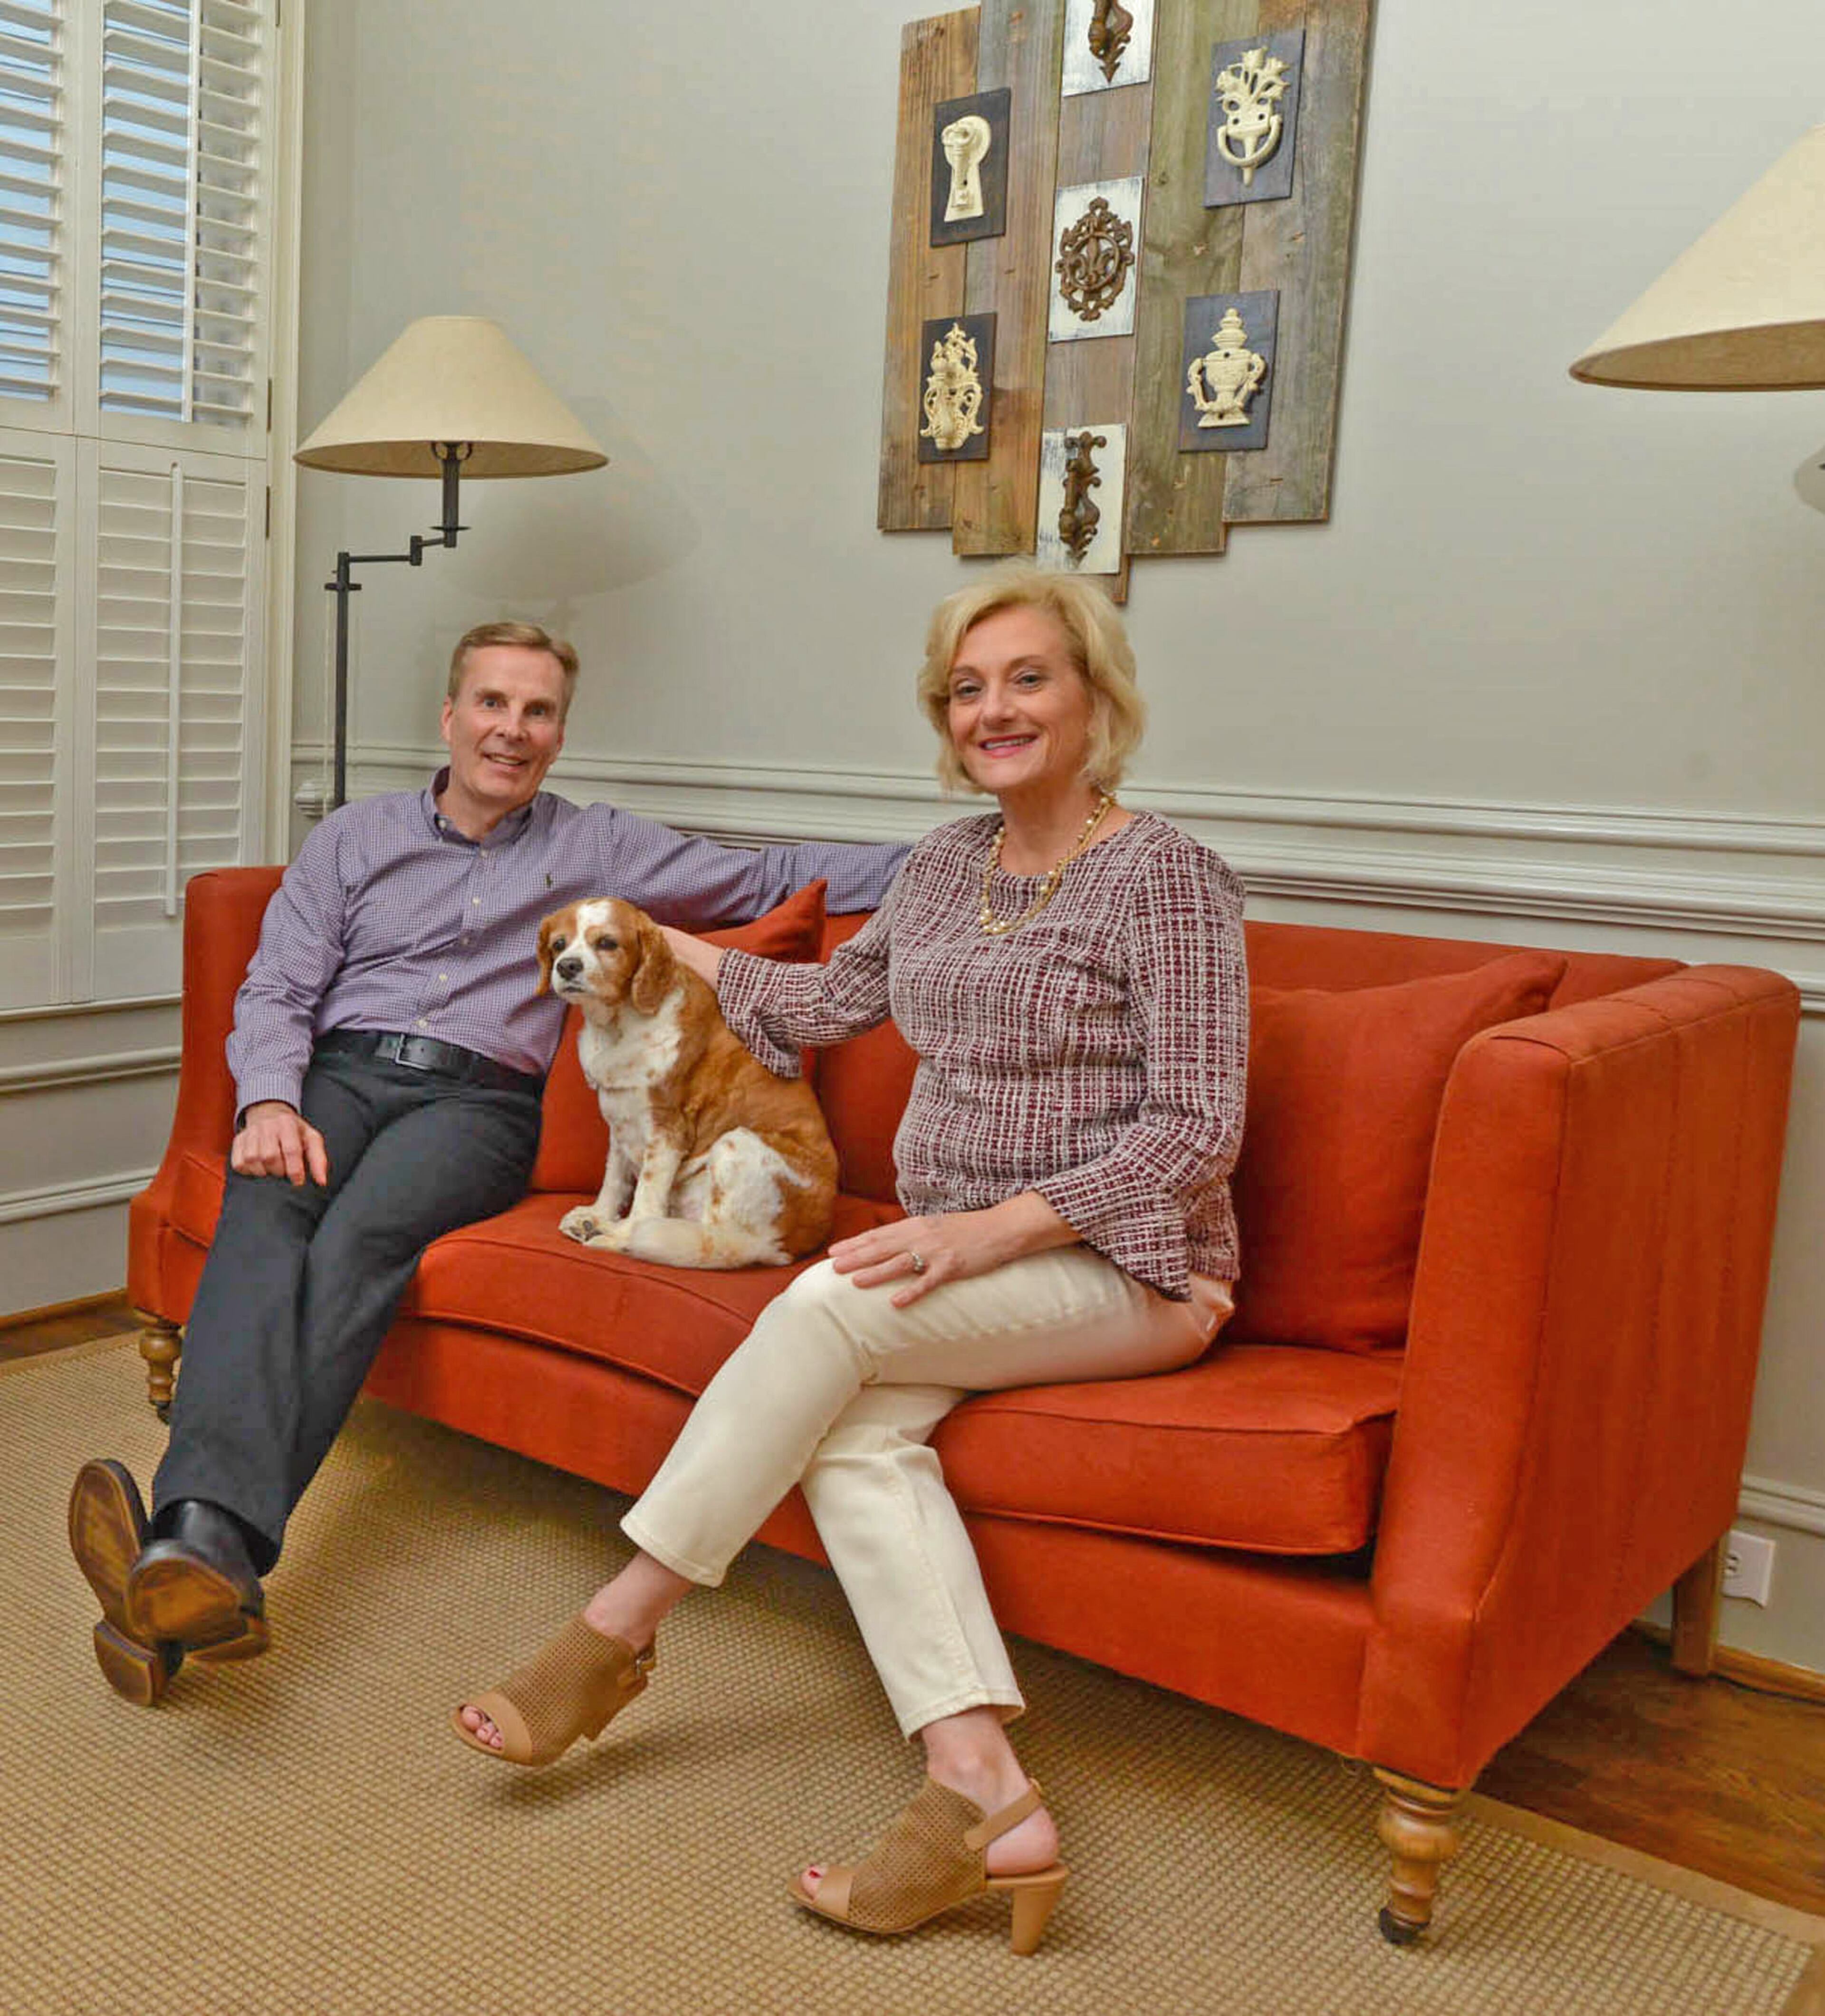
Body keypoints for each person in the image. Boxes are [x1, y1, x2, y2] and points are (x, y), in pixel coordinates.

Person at [452, 570, 1248, 1954]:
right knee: (860, 1445)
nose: (992, 709)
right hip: (958, 1268)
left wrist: (989, 1228)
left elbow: (1197, 1127)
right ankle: (985, 1793)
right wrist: (664, 944)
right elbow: (826, 1000)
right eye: (966, 688)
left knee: (825, 1298)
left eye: (1027, 678)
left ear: (1096, 696)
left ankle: (616, 1630)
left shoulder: (1166, 876)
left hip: (1129, 1265)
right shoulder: (943, 868)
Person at [66, 620, 906, 1710]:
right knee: (266, 1207)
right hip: (340, 1072)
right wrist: (270, 1097)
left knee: (360, 1242)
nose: (513, 729)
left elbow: (776, 874)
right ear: (451, 716)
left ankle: (189, 1536)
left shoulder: (598, 847)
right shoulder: (356, 838)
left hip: (474, 1107)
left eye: (538, 711)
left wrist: (973, 851)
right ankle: (205, 1552)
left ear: (559, 733)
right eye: (494, 703)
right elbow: (277, 984)